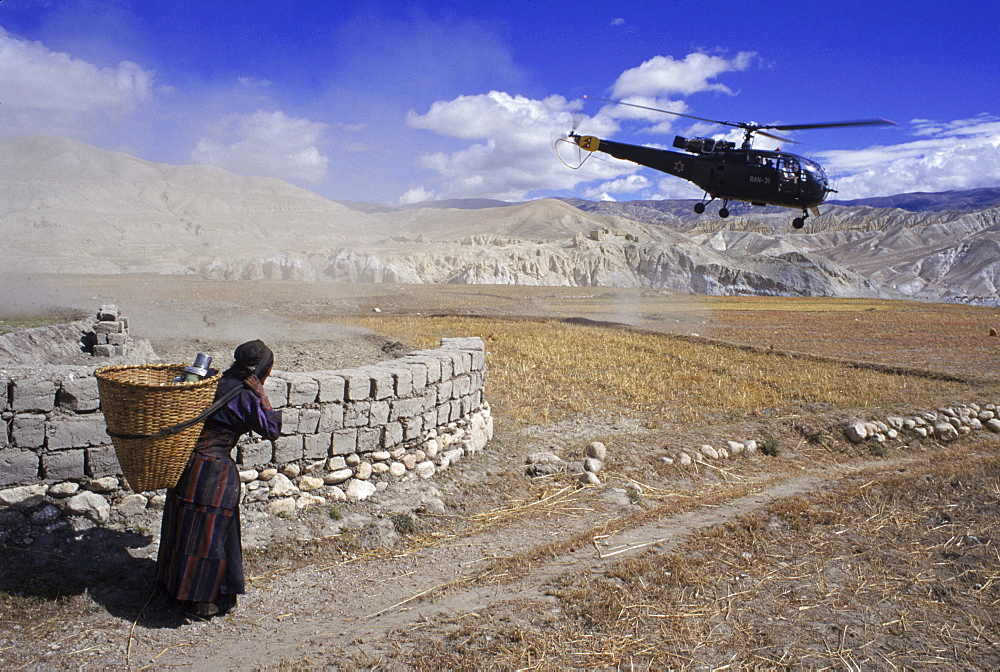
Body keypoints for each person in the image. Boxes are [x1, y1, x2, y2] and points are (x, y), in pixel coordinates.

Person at [156, 340, 282, 618]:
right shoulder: (245, 395)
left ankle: (174, 587)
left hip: (188, 468)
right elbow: (272, 429)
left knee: (186, 528)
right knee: (210, 535)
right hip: (213, 473)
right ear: (261, 370)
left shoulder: (213, 381)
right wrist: (263, 396)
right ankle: (203, 600)